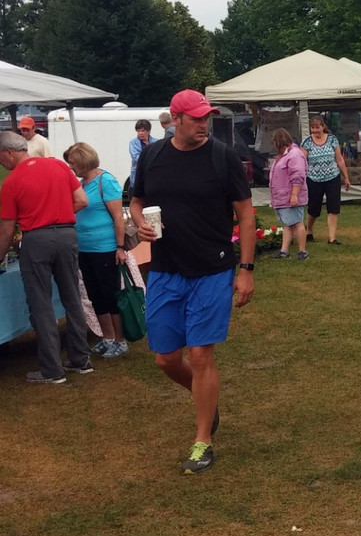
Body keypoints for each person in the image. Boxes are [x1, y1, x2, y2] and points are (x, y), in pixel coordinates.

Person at [130, 89, 254, 475]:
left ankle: (203, 440)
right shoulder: (152, 155)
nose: (204, 124)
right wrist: (138, 223)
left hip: (212, 269)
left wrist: (246, 269)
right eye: (196, 118)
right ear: (175, 119)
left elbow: (246, 215)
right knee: (166, 359)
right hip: (166, 269)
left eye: (206, 118)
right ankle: (207, 399)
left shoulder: (222, 157)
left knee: (201, 355)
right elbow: (137, 200)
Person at [0, 131, 91, 383]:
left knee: (41, 303)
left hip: (36, 240)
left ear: (9, 152)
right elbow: (82, 200)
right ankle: (80, 359)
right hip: (67, 235)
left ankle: (52, 369)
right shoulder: (58, 166)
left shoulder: (11, 182)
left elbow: (7, 229)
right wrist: (58, 212)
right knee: (72, 297)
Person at [64, 142, 128, 358]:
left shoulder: (105, 181)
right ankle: (107, 337)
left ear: (83, 161)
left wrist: (120, 247)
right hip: (85, 248)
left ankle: (120, 339)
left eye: (73, 163)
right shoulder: (82, 183)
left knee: (109, 293)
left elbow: (118, 217)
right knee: (94, 294)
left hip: (105, 247)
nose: (71, 167)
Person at [301, 115, 351, 245]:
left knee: (333, 208)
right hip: (313, 179)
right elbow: (301, 162)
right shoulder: (307, 142)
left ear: (323, 127)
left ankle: (332, 238)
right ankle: (309, 230)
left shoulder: (332, 140)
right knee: (314, 209)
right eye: (313, 128)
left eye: (317, 127)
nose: (315, 130)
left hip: (332, 177)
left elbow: (339, 160)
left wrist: (346, 177)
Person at [269, 128, 309, 260]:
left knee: (297, 222)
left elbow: (298, 175)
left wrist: (294, 195)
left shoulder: (294, 155)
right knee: (288, 224)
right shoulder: (284, 155)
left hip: (291, 196)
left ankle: (302, 251)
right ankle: (284, 251)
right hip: (282, 196)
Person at [129, 119, 156, 188]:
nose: (140, 133)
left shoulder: (156, 142)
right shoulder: (133, 143)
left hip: (152, 176)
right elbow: (136, 158)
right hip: (138, 176)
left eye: (143, 131)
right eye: (138, 131)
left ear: (148, 131)